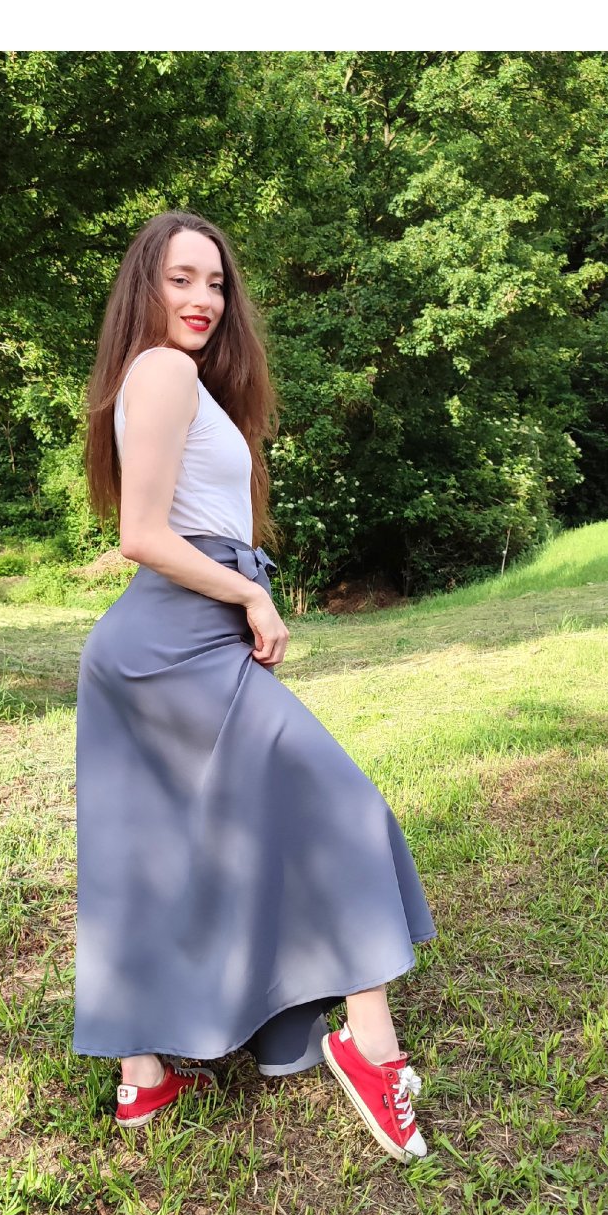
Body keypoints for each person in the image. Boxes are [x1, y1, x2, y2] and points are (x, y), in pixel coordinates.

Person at [75, 211, 436, 1164]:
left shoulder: (177, 380)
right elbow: (142, 534)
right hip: (170, 640)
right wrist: (250, 595)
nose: (203, 298)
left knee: (171, 845)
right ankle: (370, 1049)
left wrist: (239, 596)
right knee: (341, 802)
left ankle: (150, 1075)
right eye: (181, 279)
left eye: (217, 282)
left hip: (176, 638)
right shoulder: (162, 370)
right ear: (145, 286)